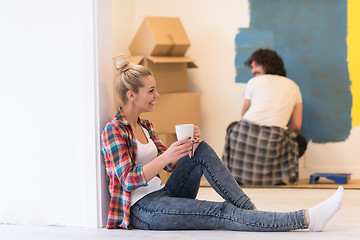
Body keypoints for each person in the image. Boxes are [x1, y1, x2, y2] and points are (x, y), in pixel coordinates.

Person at [100, 55, 343, 232]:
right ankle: (306, 219)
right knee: (222, 212)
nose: (157, 95)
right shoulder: (113, 130)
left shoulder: (146, 125)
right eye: (151, 91)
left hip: (164, 194)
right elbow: (127, 180)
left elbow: (171, 166)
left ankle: (251, 213)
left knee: (201, 150)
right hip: (144, 210)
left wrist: (186, 146)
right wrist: (165, 157)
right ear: (131, 95)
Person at [223, 48, 307, 185]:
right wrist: (280, 135)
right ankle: (276, 177)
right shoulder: (294, 86)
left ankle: (237, 178)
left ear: (268, 64)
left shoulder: (253, 82)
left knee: (232, 127)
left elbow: (243, 114)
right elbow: (296, 126)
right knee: (300, 141)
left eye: (256, 65)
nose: (252, 71)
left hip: (243, 135)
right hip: (274, 139)